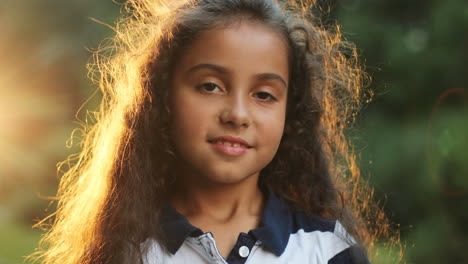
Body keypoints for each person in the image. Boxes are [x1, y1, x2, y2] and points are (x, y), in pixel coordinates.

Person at [30, 0, 387, 263]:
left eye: (264, 95)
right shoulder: (123, 251)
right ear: (162, 98)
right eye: (210, 86)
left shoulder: (329, 252)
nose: (237, 114)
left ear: (289, 114)